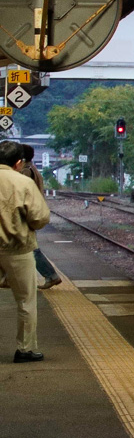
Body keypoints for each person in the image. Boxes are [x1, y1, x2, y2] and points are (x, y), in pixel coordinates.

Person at [0, 140, 52, 363]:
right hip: (17, 249)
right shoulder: (23, 183)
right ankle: (25, 349)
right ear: (18, 163)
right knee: (26, 301)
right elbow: (40, 217)